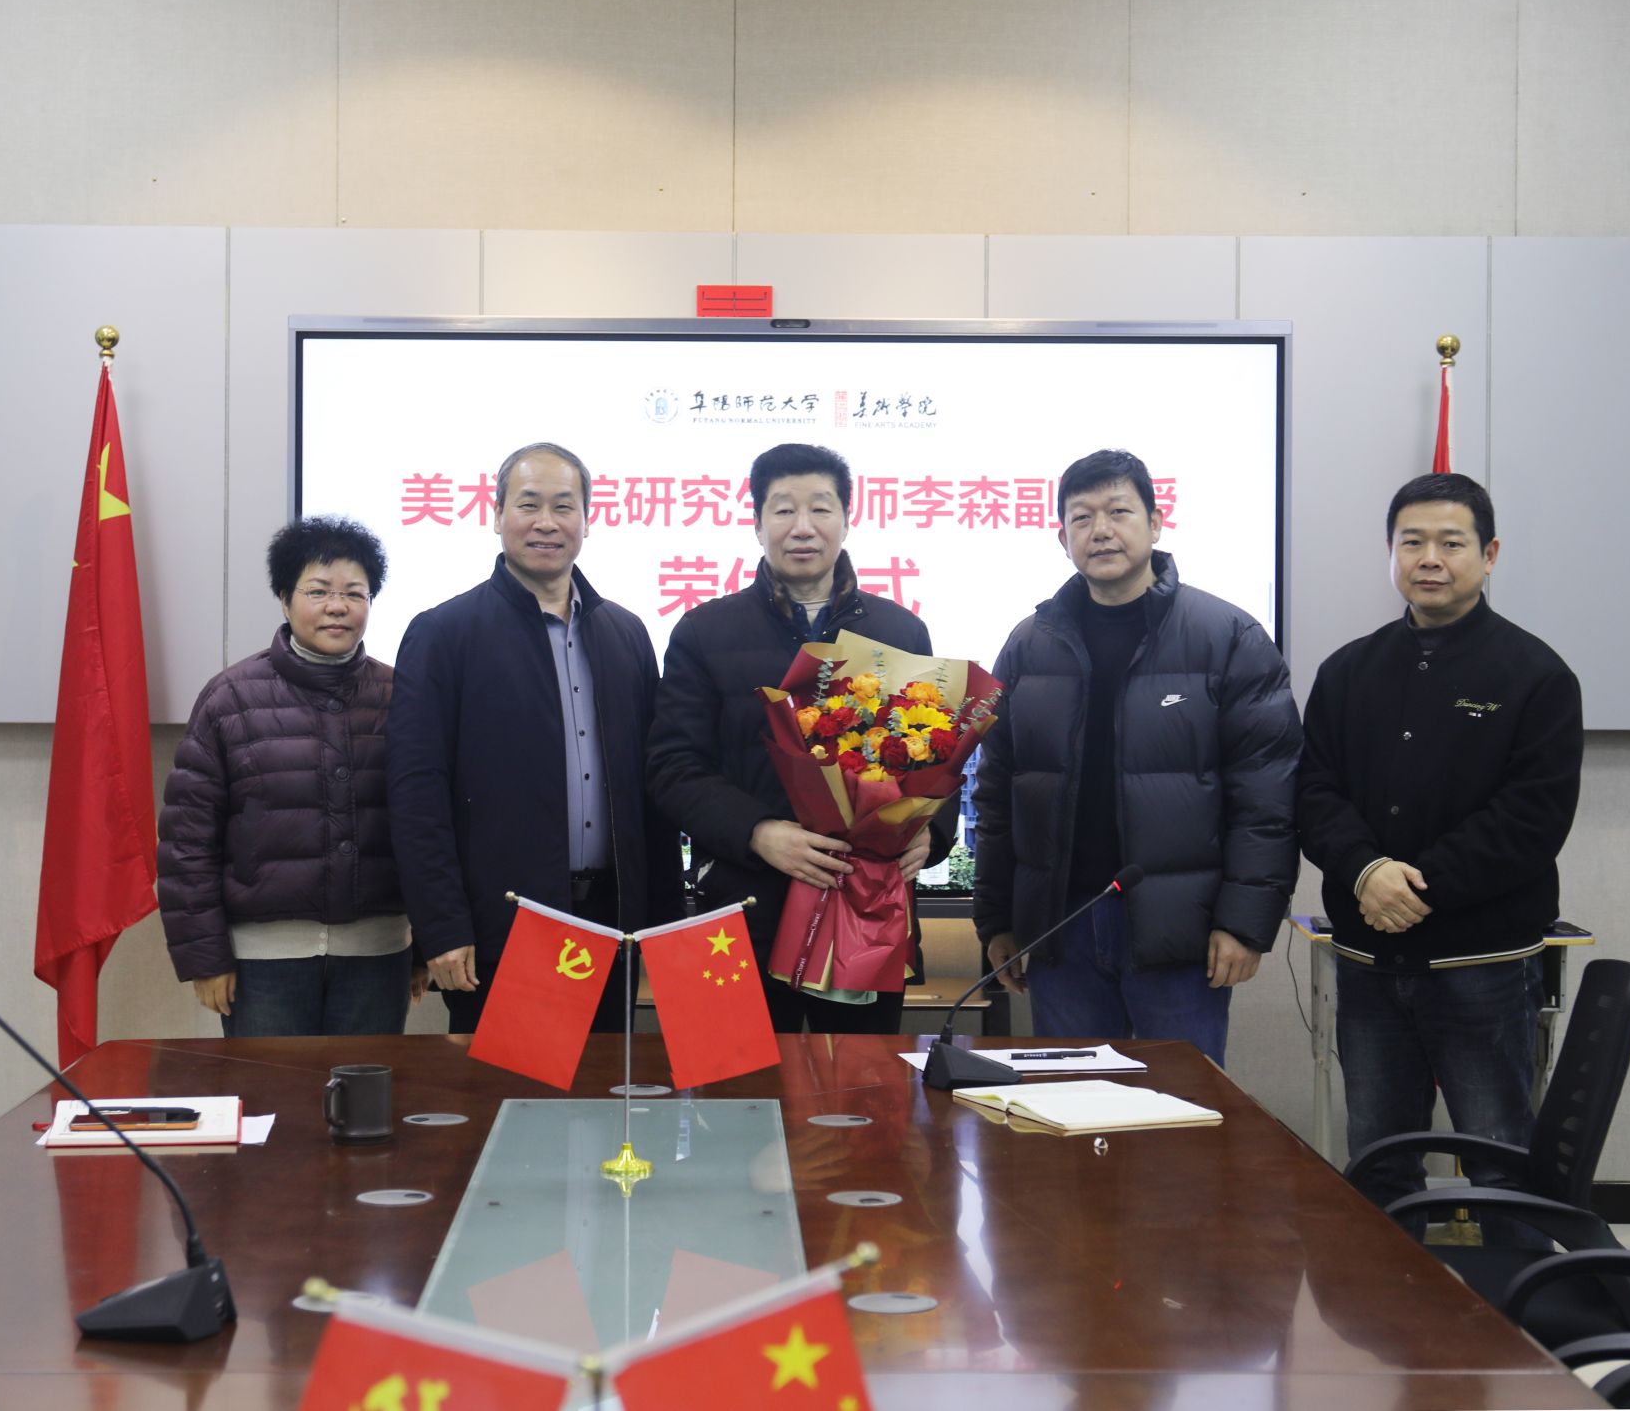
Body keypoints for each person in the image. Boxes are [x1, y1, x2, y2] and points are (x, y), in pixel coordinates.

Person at [1297, 472, 1581, 1226]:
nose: (1430, 558)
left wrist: (1415, 889)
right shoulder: (1347, 670)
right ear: (1391, 553)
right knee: (1378, 1159)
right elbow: (1314, 793)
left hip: (1480, 965)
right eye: (1411, 542)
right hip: (1369, 962)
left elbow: (1531, 818)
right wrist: (1366, 872)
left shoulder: (1537, 675)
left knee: (1498, 1160)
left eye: (1451, 543)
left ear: (1489, 555)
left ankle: (1514, 1297)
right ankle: (1388, 1301)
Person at [971, 449, 1299, 1065]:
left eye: (1118, 512)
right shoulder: (1028, 645)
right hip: (1061, 928)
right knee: (1069, 1107)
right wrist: (997, 920)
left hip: (1181, 933)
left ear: (1155, 522)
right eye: (1082, 517)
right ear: (1062, 537)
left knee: (1178, 1108)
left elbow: (1267, 796)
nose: (1101, 530)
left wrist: (1244, 922)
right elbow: (996, 793)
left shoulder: (1228, 637)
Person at [648, 442, 953, 1033]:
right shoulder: (705, 631)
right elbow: (672, 766)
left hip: (866, 910)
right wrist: (758, 832)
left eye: (820, 508)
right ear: (757, 522)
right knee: (741, 1084)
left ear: (848, 518)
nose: (803, 526)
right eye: (784, 509)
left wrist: (931, 835)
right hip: (743, 908)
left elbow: (935, 754)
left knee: (861, 1082)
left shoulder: (900, 630)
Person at [388, 444, 681, 1033]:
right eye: (528, 505)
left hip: (611, 924)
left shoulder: (626, 634)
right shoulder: (443, 633)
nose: (546, 522)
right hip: (503, 928)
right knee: (505, 1090)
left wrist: (664, 925)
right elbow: (417, 796)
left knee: (605, 1087)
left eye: (563, 506)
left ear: (587, 521)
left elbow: (652, 793)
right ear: (497, 514)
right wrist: (442, 928)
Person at [158, 516, 424, 1036]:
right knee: (268, 1090)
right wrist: (205, 958)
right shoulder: (230, 698)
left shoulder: (402, 697)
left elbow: (429, 830)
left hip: (378, 956)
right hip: (263, 964)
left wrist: (426, 946)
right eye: (318, 591)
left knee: (366, 1090)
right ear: (284, 599)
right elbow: (187, 841)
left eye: (355, 593)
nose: (337, 606)